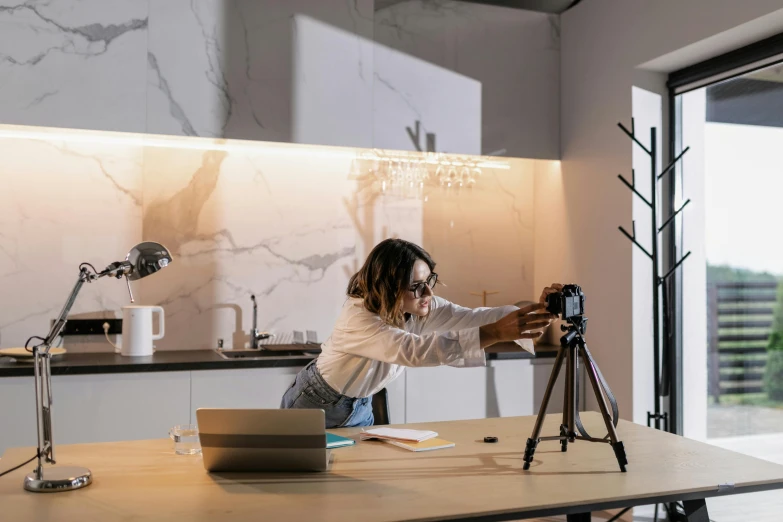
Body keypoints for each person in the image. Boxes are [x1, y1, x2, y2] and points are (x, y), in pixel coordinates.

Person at [280, 238, 562, 428]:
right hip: (317, 404)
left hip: (360, 404)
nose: (428, 293)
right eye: (416, 285)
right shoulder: (359, 317)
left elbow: (471, 318)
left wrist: (537, 313)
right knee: (312, 492)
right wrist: (497, 332)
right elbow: (414, 351)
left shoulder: (416, 305)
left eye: (429, 281)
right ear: (388, 285)